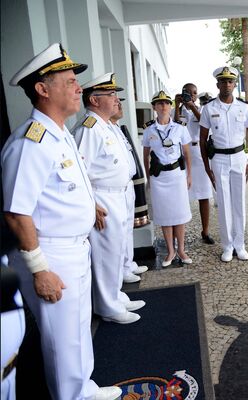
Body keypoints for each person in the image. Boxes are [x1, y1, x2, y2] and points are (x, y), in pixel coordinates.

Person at [1, 42, 121, 400]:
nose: (78, 88)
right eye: (69, 81)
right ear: (42, 89)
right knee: (61, 339)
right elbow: (16, 211)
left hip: (74, 248)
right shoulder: (30, 142)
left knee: (78, 330)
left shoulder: (60, 133)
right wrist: (40, 270)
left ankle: (83, 388)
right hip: (51, 254)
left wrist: (91, 207)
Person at [73, 73, 144, 325]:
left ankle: (115, 296)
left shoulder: (105, 126)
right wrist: (91, 204)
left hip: (118, 194)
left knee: (116, 249)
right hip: (103, 198)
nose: (116, 99)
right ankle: (107, 306)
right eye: (111, 94)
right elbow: (78, 172)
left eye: (115, 94)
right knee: (105, 253)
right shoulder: (89, 129)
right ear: (94, 99)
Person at [199, 66, 248, 262]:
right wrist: (207, 167)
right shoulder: (209, 108)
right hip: (220, 159)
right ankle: (227, 246)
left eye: (230, 81)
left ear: (234, 84)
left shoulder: (243, 107)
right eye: (223, 81)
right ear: (218, 84)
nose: (227, 85)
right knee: (223, 204)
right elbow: (202, 138)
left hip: (239, 157)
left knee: (239, 202)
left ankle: (240, 245)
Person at [142, 91, 193, 267]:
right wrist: (148, 177)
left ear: (170, 107)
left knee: (179, 214)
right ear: (154, 107)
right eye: (159, 104)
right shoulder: (149, 129)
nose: (163, 106)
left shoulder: (180, 128)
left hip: (177, 175)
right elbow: (146, 155)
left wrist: (189, 174)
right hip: (159, 178)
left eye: (166, 103)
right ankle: (170, 250)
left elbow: (187, 153)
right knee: (164, 215)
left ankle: (181, 250)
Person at [108, 98, 149, 284]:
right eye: (113, 99)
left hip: (125, 187)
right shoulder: (91, 129)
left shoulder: (114, 127)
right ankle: (118, 281)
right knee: (115, 238)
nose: (119, 104)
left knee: (126, 230)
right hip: (109, 192)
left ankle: (128, 265)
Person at [174, 83, 215, 245]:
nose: (191, 96)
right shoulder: (177, 110)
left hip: (198, 153)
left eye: (194, 93)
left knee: (204, 195)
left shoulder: (204, 110)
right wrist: (177, 106)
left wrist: (193, 108)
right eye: (188, 93)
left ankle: (205, 231)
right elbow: (174, 126)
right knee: (180, 194)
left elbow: (205, 124)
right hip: (182, 154)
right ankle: (179, 233)